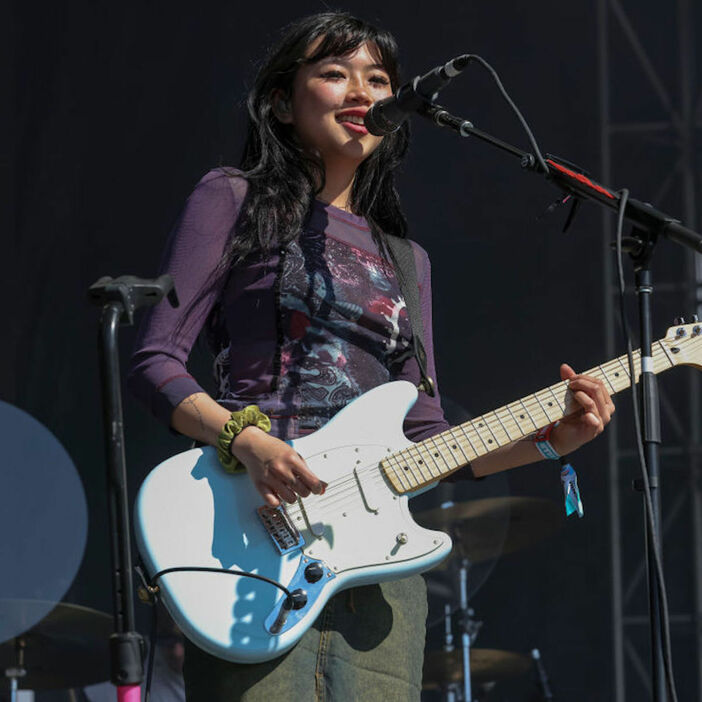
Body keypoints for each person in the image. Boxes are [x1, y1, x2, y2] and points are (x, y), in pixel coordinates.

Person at [127, 11, 614, 701]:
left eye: (378, 79)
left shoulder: (407, 261)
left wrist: (549, 442)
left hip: (378, 579)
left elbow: (428, 437)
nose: (361, 91)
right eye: (333, 73)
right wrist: (248, 439)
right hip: (249, 543)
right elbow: (155, 361)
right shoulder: (232, 198)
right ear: (280, 103)